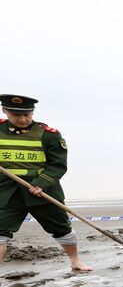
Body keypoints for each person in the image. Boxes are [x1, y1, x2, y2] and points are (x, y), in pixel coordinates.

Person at [0, 94, 92, 271]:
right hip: (6, 193)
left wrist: (41, 183)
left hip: (43, 191)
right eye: (16, 115)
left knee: (62, 229)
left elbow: (58, 165)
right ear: (5, 111)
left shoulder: (48, 135)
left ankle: (75, 261)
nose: (22, 119)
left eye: (27, 114)